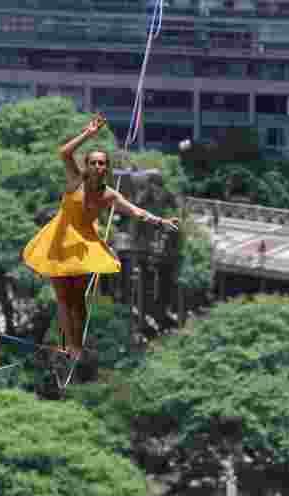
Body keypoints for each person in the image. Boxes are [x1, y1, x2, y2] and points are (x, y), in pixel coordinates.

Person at [23, 114, 177, 357]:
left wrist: (160, 221)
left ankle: (75, 346)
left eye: (101, 163)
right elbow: (64, 153)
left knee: (79, 300)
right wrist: (88, 134)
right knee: (63, 297)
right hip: (59, 240)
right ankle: (68, 344)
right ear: (87, 165)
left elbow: (135, 211)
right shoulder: (76, 181)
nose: (97, 166)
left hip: (84, 244)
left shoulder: (109, 195)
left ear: (106, 168)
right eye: (93, 162)